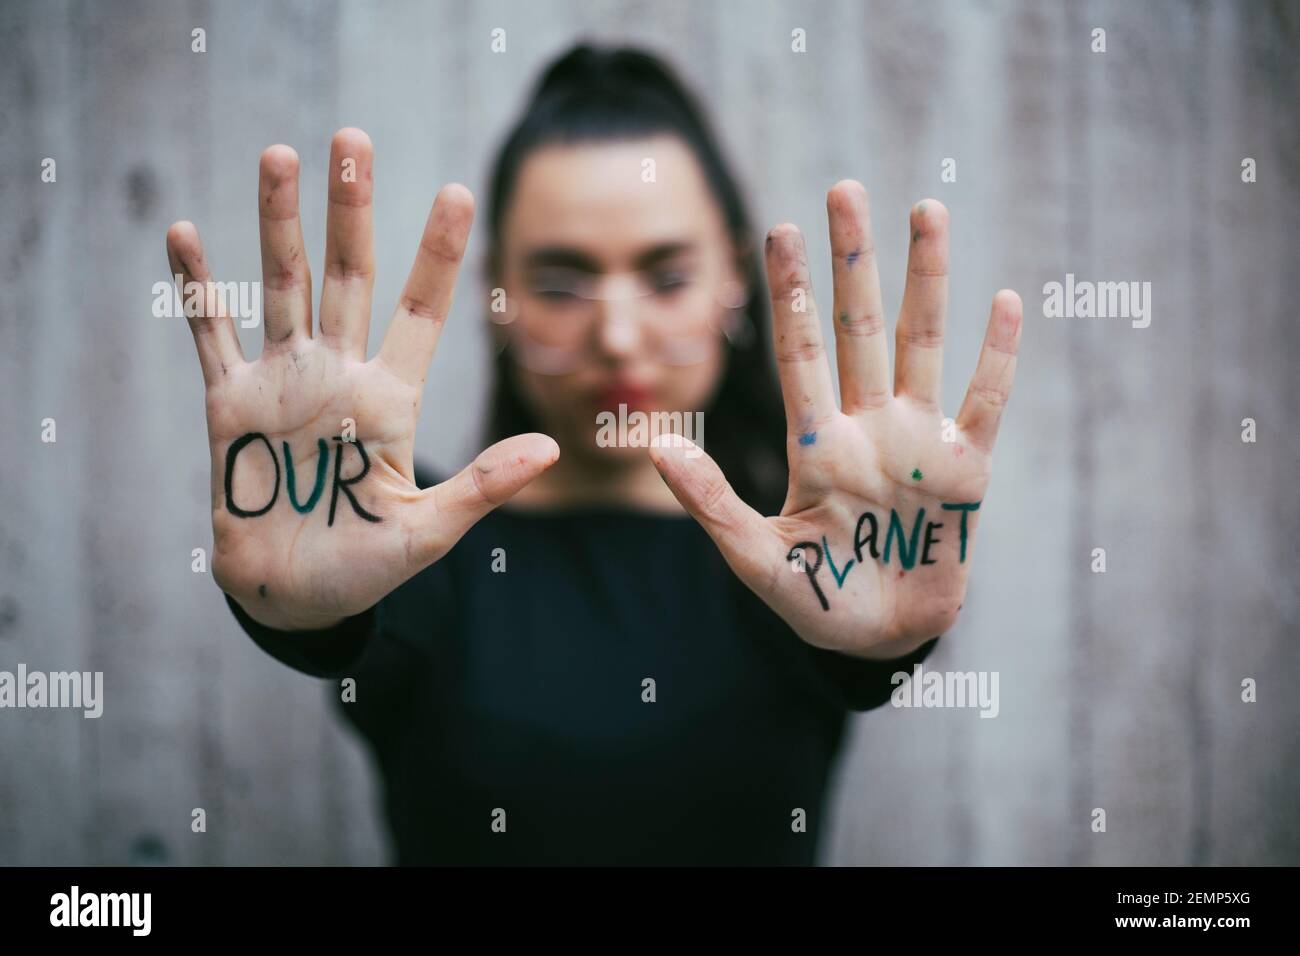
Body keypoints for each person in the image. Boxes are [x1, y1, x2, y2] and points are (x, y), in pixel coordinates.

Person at [164, 44, 1022, 865]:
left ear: (733, 278)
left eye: (666, 275)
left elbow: (852, 636)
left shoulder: (807, 559)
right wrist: (302, 609)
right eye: (563, 282)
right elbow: (350, 620)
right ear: (497, 295)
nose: (616, 336)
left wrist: (880, 642)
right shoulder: (412, 546)